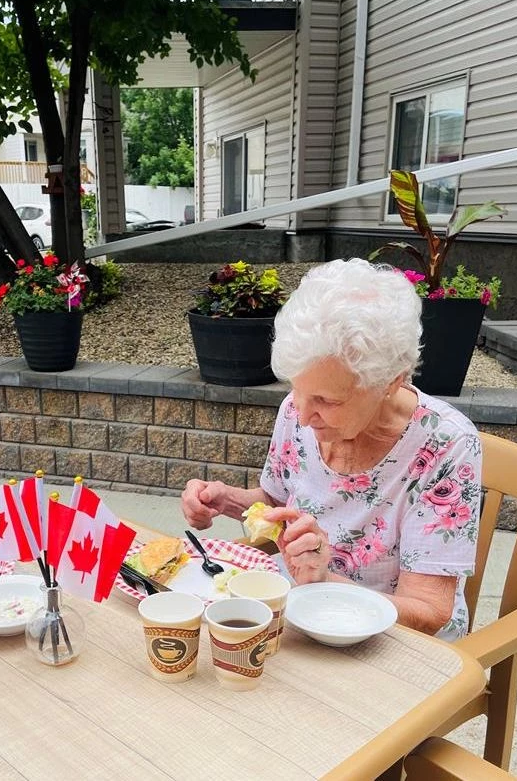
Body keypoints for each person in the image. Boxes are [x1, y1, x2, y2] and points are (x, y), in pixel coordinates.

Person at [182, 258, 481, 641]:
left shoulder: (447, 445)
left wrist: (325, 580)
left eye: (326, 400)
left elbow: (428, 613)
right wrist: (227, 500)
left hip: (397, 643)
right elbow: (277, 503)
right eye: (297, 390)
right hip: (305, 614)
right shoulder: (297, 409)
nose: (304, 416)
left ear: (390, 382)